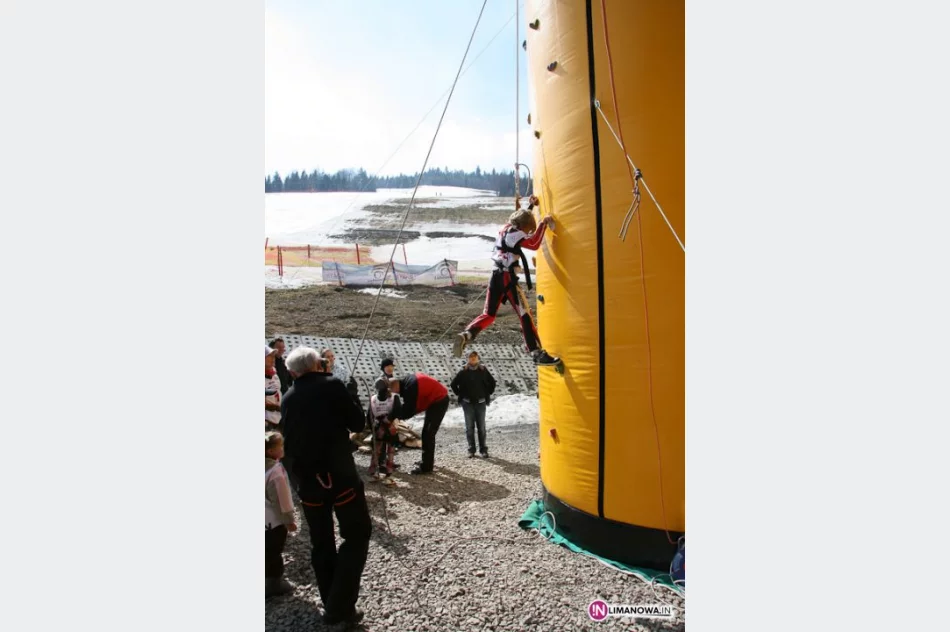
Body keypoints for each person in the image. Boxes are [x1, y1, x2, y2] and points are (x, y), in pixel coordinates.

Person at [281, 347, 369, 628]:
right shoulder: (332, 385)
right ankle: (339, 606)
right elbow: (357, 422)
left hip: (307, 484)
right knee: (356, 534)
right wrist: (350, 393)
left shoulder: (288, 397)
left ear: (293, 372)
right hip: (339, 477)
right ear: (318, 364)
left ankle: (333, 602)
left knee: (322, 543)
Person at [454, 194, 560, 365]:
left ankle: (468, 334)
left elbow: (520, 218)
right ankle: (536, 352)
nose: (527, 233)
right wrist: (543, 224)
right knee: (525, 314)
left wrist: (530, 206)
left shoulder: (505, 229)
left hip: (495, 275)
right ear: (524, 226)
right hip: (507, 278)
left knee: (488, 314)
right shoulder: (518, 234)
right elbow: (533, 243)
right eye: (528, 229)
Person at [389, 372, 449, 475]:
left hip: (439, 401)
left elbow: (409, 411)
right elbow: (413, 406)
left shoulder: (410, 388)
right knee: (427, 433)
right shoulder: (408, 381)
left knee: (428, 434)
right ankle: (427, 461)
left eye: (392, 391)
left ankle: (426, 467)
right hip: (435, 399)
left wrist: (394, 416)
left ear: (395, 388)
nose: (394, 394)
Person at [265, 431, 297, 597]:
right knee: (274, 551)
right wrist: (289, 520)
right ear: (271, 451)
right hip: (274, 521)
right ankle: (274, 583)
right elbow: (281, 500)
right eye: (281, 446)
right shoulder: (275, 472)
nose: (283, 447)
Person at [450, 350, 496, 458]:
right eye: (471, 357)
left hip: (481, 403)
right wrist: (460, 395)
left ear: (478, 358)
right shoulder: (463, 371)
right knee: (469, 427)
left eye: (475, 357)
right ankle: (471, 449)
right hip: (467, 404)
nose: (473, 359)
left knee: (481, 427)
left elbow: (492, 383)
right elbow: (453, 384)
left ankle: (483, 450)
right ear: (468, 359)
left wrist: (487, 393)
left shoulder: (483, 370)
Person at [368, 377, 400, 485]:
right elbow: (397, 411)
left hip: (378, 427)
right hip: (390, 427)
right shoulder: (394, 397)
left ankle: (375, 471)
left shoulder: (373, 399)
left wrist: (371, 428)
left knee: (377, 450)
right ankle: (388, 473)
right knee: (390, 450)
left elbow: (369, 416)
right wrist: (389, 420)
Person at [265, 345, 282, 431]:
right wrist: (278, 407)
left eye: (273, 355)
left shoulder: (274, 374)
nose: (273, 358)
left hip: (278, 419)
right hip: (267, 421)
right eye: (269, 356)